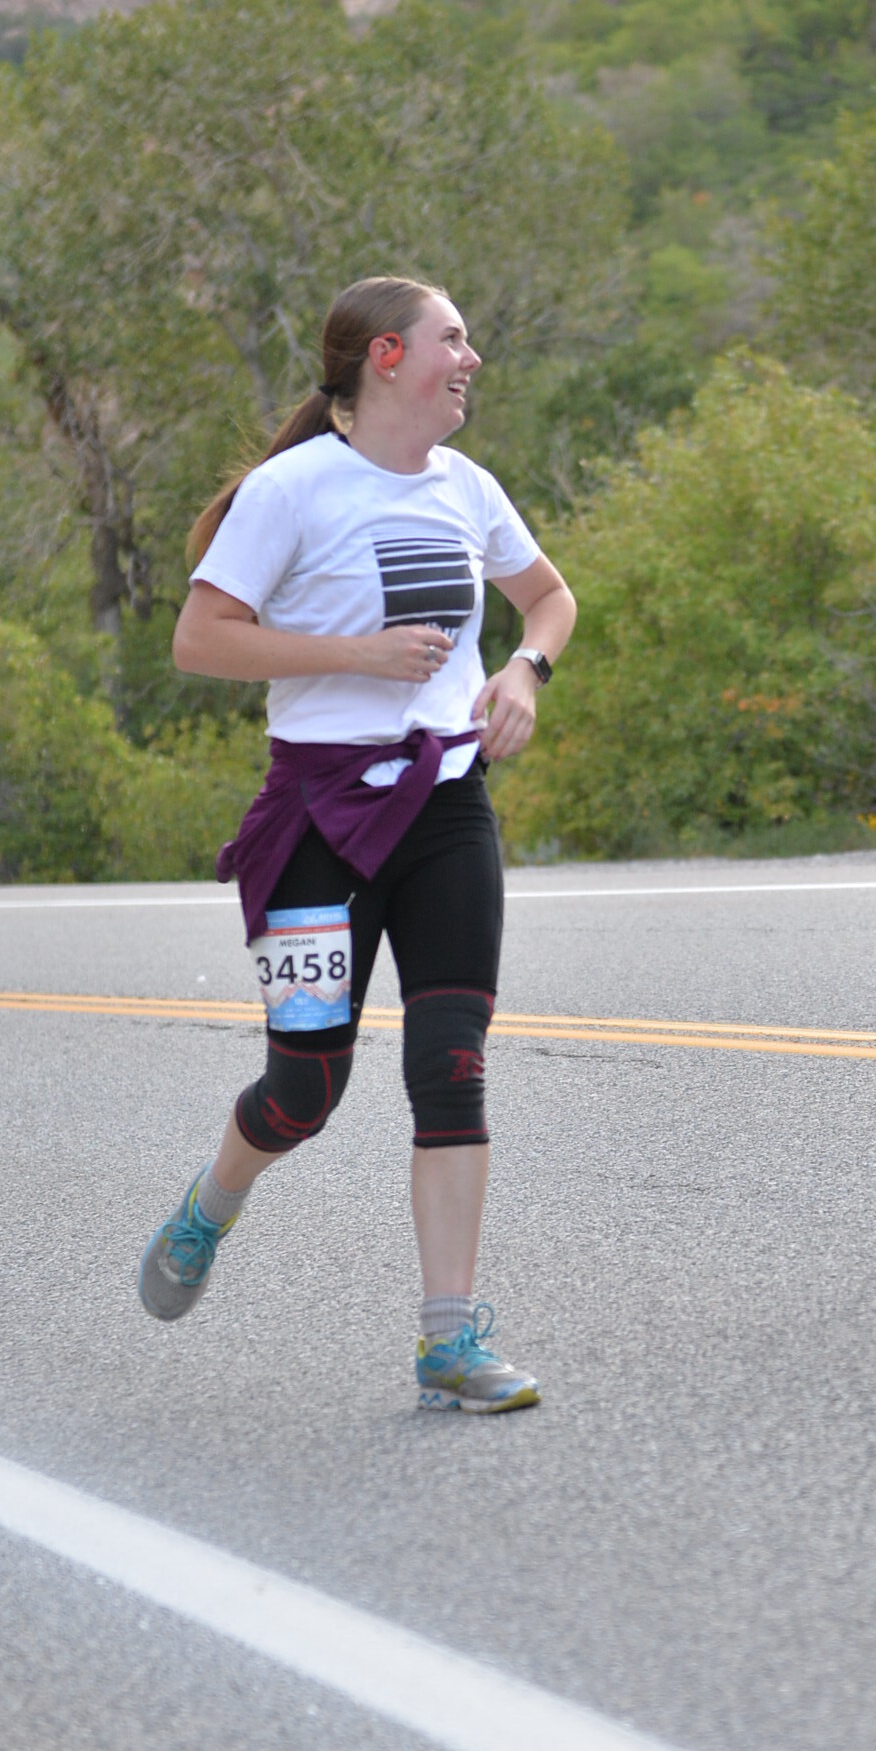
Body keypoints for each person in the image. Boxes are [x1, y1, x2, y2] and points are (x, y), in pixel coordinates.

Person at [136, 275, 575, 1410]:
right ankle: (212, 1202)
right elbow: (199, 640)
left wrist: (524, 672)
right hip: (318, 817)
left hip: (446, 804)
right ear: (387, 356)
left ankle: (448, 1340)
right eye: (452, 339)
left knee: (452, 1065)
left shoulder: (468, 486)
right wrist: (352, 654)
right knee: (306, 1088)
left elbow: (549, 599)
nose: (471, 358)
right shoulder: (290, 490)